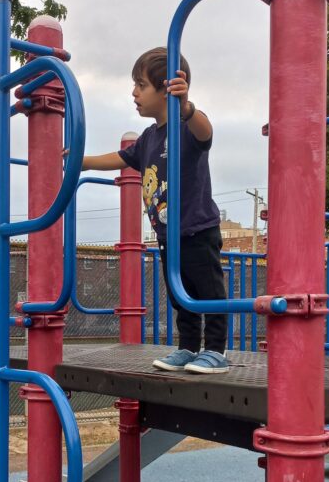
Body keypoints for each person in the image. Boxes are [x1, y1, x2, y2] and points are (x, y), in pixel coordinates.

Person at [81, 46, 229, 374]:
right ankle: (188, 347)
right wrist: (84, 161)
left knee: (208, 292)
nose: (134, 93)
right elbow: (121, 158)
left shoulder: (186, 125)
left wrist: (187, 107)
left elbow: (206, 132)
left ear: (165, 89)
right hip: (167, 234)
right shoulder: (149, 137)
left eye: (141, 85)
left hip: (197, 228)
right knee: (180, 294)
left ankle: (216, 350)